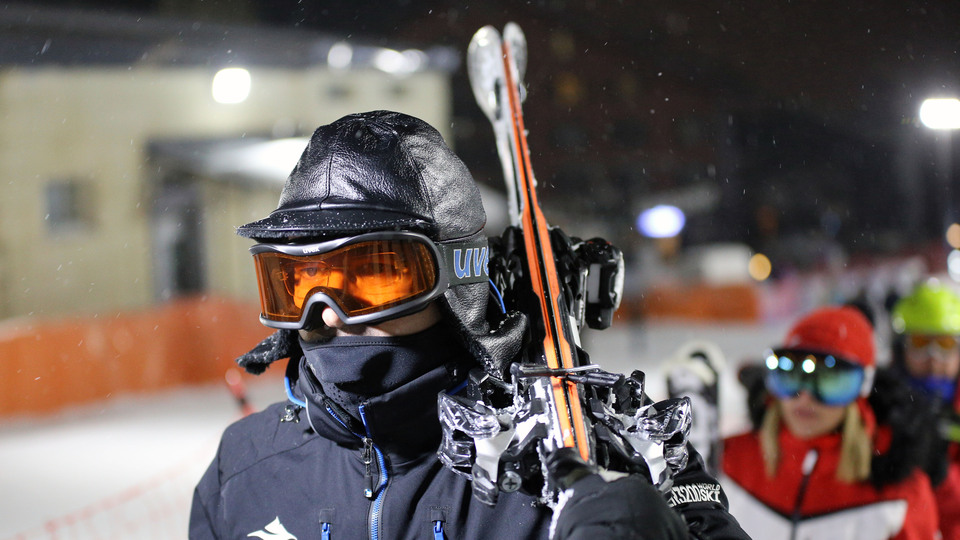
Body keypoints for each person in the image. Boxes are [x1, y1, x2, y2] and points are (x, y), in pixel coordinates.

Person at [188, 111, 750, 539]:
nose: (328, 311)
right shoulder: (245, 467)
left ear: (457, 281)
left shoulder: (587, 464)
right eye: (293, 281)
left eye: (375, 275)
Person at [722, 305, 939, 539]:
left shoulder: (902, 494)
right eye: (791, 374)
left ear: (862, 389)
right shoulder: (727, 459)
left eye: (830, 379)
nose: (804, 396)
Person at [890, 281, 960, 540]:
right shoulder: (881, 404)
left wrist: (941, 475)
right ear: (900, 349)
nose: (933, 357)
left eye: (945, 344)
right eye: (920, 343)